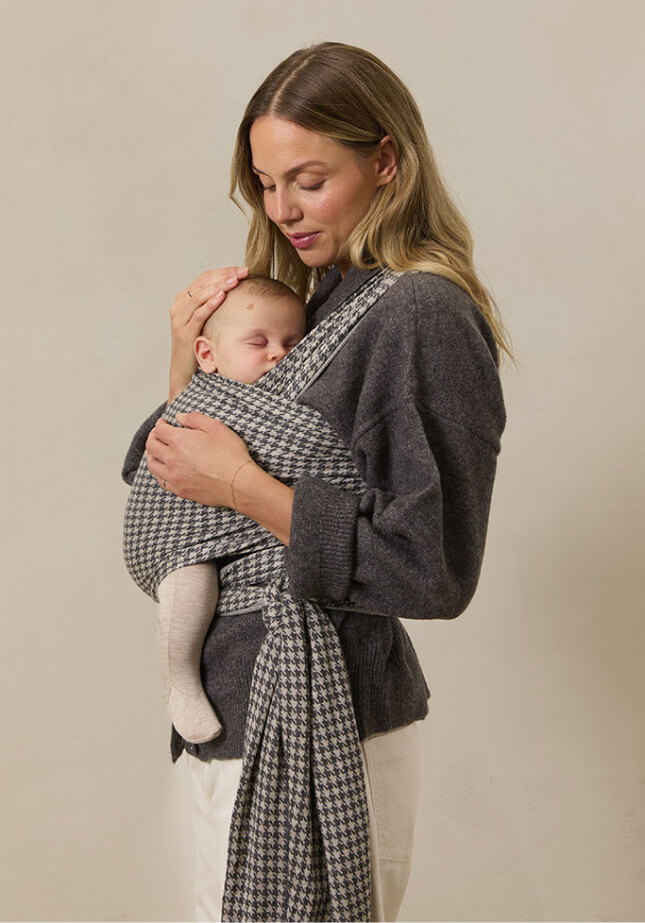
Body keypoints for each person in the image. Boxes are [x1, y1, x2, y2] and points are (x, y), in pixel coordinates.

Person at [122, 41, 508, 923]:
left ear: (385, 162)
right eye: (264, 182)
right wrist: (187, 359)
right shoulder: (315, 303)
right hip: (234, 711)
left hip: (334, 719)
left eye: (307, 178)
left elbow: (432, 569)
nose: (282, 208)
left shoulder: (419, 312)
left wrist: (246, 488)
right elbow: (175, 492)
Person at [124, 276, 306, 745]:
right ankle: (178, 675)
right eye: (257, 341)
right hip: (181, 536)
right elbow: (142, 461)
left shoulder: (294, 397)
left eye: (292, 341)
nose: (277, 354)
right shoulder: (204, 398)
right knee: (190, 588)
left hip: (256, 540)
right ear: (208, 355)